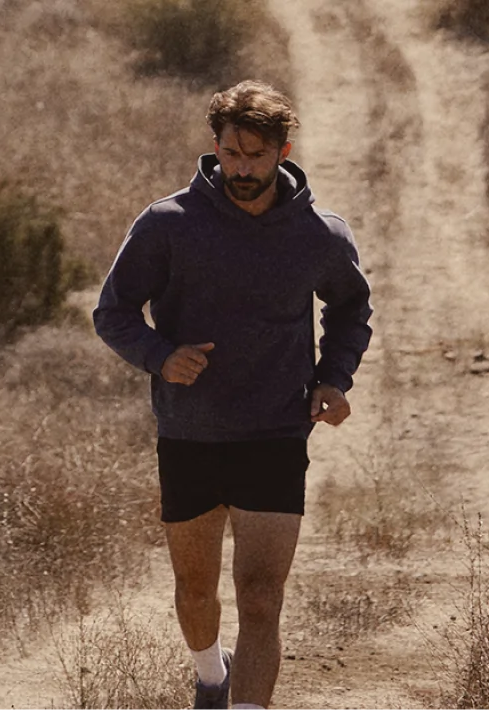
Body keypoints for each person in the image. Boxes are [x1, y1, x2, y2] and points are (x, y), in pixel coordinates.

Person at [91, 80, 373, 710]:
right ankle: (211, 676)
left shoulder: (318, 235)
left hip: (274, 435)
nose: (242, 168)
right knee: (196, 591)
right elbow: (112, 313)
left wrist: (334, 377)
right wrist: (162, 357)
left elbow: (352, 306)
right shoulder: (169, 224)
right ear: (215, 147)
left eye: (256, 155)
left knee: (262, 595)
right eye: (231, 153)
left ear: (283, 150)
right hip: (190, 434)